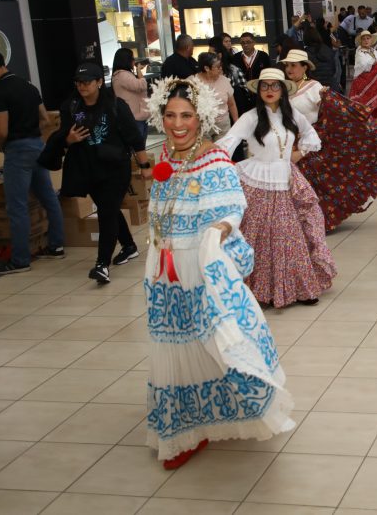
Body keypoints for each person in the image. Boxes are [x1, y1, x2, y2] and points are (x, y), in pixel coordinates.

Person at [143, 77, 296, 468]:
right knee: (173, 346)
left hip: (199, 268)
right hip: (164, 268)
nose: (178, 124)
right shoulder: (165, 155)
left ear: (201, 119)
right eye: (171, 115)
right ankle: (184, 428)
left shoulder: (214, 159)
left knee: (209, 340)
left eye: (187, 116)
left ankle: (197, 425)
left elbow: (233, 205)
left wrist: (219, 230)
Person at [217, 68, 336, 308]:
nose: (269, 91)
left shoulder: (291, 114)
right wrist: (210, 162)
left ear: (282, 89)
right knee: (259, 235)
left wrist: (299, 153)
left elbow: (312, 137)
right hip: (257, 179)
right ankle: (259, 290)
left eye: (275, 86)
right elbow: (228, 142)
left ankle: (300, 287)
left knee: (291, 235)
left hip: (287, 179)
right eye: (265, 86)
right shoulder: (250, 117)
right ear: (258, 90)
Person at [281, 49, 377, 231]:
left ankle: (317, 220)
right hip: (290, 141)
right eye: (287, 65)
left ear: (304, 67)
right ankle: (297, 220)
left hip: (312, 139)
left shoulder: (313, 87)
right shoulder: (283, 89)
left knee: (314, 182)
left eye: (293, 65)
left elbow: (332, 110)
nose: (289, 69)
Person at [58, 63, 152, 284]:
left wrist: (145, 167)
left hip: (115, 168)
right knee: (108, 209)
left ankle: (102, 264)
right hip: (87, 168)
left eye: (87, 82)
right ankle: (128, 246)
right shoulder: (71, 107)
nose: (82, 86)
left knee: (106, 212)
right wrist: (68, 140)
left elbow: (134, 138)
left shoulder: (116, 106)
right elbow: (61, 135)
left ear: (99, 82)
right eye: (79, 82)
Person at [0, 50, 65, 274]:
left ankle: (20, 260)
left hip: (17, 151)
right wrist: (35, 140)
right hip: (37, 146)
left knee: (16, 206)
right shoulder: (28, 86)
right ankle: (56, 246)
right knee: (49, 198)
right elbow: (45, 119)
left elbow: (2, 131)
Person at [111, 48, 151, 141]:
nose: (134, 61)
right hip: (134, 118)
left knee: (140, 146)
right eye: (132, 59)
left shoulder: (124, 74)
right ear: (126, 60)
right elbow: (141, 85)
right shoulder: (122, 75)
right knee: (138, 148)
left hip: (136, 116)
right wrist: (139, 70)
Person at [196, 52, 238, 135]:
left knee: (222, 148)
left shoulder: (225, 80)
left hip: (223, 126)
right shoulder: (193, 82)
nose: (221, 69)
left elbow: (232, 104)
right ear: (207, 68)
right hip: (201, 128)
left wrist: (236, 122)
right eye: (218, 67)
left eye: (221, 66)